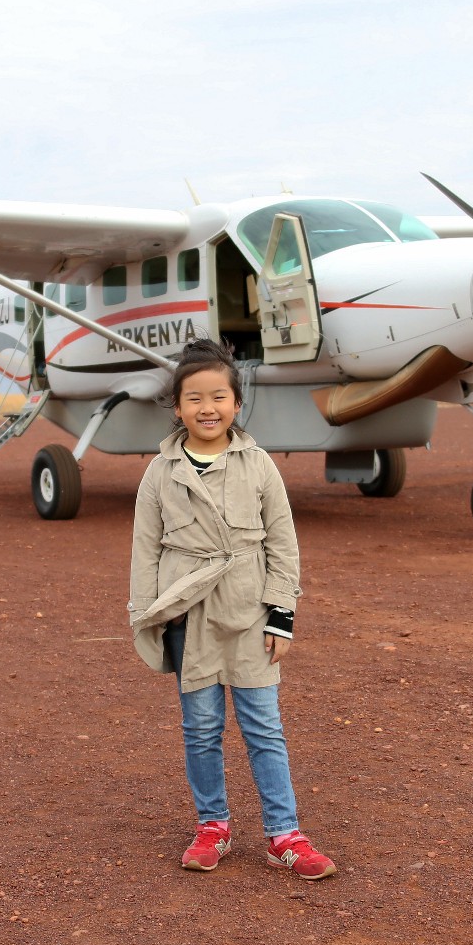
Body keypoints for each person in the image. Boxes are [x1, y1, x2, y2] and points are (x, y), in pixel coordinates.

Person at [128, 337, 337, 880]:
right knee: (200, 727)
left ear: (236, 403)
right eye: (193, 398)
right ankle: (212, 827)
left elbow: (282, 544)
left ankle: (284, 835)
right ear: (176, 407)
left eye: (218, 396)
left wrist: (281, 613)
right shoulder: (159, 472)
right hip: (188, 613)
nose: (207, 408)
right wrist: (145, 616)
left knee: (264, 726)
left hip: (249, 611)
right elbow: (145, 549)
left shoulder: (260, 464)